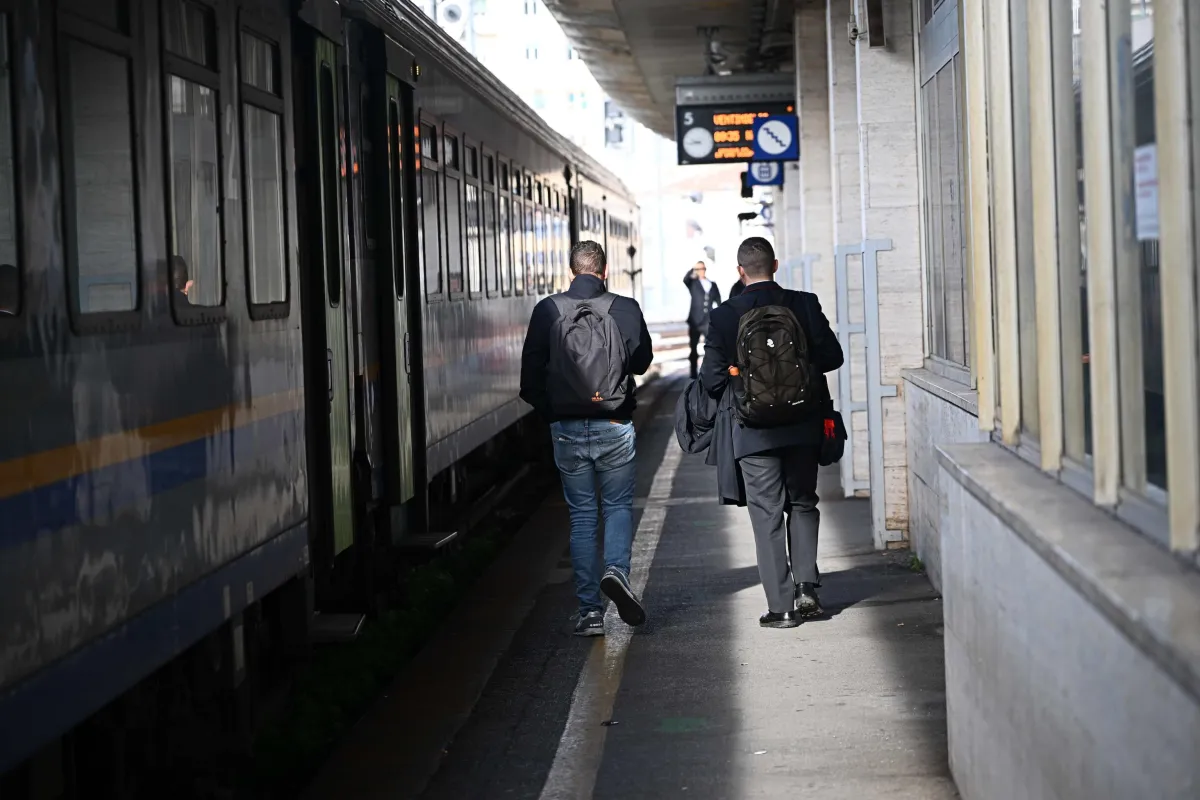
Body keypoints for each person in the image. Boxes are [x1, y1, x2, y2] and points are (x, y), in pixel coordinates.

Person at [700, 237, 844, 629]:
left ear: (740, 271)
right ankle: (807, 587)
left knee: (766, 516)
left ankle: (782, 608)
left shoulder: (725, 315)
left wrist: (737, 373)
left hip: (753, 431)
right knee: (802, 502)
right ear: (775, 265)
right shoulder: (804, 303)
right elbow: (834, 357)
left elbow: (711, 379)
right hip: (803, 425)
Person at [520, 240, 654, 636]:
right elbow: (643, 362)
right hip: (614, 425)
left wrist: (557, 416)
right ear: (605, 270)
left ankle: (590, 614)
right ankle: (616, 571)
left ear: (571, 270)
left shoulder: (548, 310)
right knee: (616, 507)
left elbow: (529, 382)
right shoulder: (624, 307)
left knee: (581, 518)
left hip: (567, 430)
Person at [683, 260, 721, 379]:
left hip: (707, 321)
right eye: (699, 269)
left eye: (703, 268)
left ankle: (708, 371)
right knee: (693, 348)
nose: (701, 271)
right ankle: (693, 373)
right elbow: (685, 279)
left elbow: (718, 302)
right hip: (694, 320)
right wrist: (693, 269)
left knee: (710, 347)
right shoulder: (693, 283)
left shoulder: (712, 284)